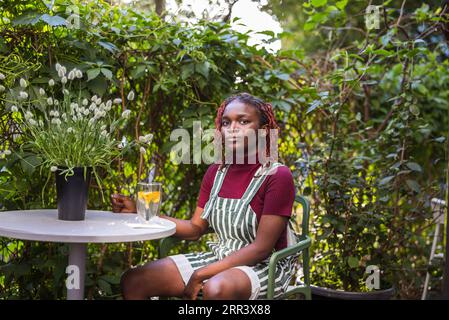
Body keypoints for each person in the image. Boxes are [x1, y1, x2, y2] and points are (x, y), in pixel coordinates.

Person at [112, 92, 296, 300]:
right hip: (220, 257)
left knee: (216, 289)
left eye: (243, 121)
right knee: (134, 280)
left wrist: (201, 274)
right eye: (226, 123)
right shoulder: (216, 172)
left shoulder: (277, 175)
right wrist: (141, 210)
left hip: (265, 266)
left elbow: (261, 249)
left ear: (263, 131)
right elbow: (194, 229)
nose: (232, 129)